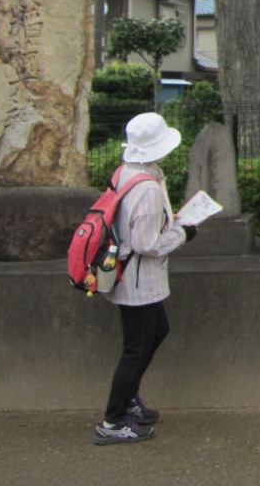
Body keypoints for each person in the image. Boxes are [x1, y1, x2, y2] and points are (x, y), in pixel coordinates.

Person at [94, 112, 198, 446]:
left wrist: (168, 220)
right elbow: (147, 244)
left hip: (128, 272)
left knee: (157, 330)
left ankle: (128, 402)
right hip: (138, 279)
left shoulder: (126, 172)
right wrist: (183, 233)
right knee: (135, 349)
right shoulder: (148, 188)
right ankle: (112, 420)